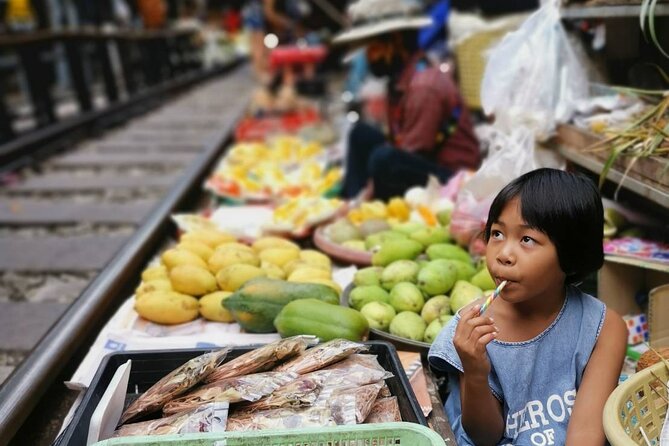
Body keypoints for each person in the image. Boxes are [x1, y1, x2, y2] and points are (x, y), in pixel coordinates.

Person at [428, 168, 627, 445]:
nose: (504, 255)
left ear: (570, 254)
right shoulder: (473, 328)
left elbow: (585, 435)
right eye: (496, 234)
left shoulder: (603, 327)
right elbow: (484, 437)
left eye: (527, 239)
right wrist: (474, 371)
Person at [332, 0, 480, 201]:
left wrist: (366, 194)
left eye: (373, 48)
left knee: (384, 160)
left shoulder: (424, 87)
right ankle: (349, 200)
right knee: (360, 134)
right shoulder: (400, 81)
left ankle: (359, 207)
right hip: (422, 161)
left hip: (454, 180)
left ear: (395, 41)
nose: (369, 57)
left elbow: (411, 157)